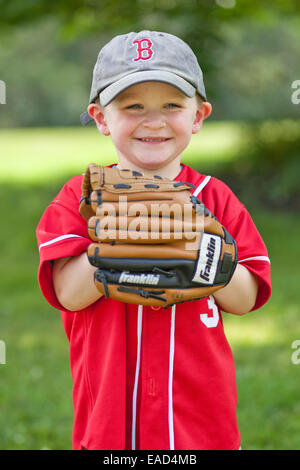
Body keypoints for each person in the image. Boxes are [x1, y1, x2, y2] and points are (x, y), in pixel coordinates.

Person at [36, 30, 271, 450]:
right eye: (133, 106)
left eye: (172, 105)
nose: (154, 120)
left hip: (199, 418)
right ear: (101, 117)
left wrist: (207, 254)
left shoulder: (214, 198)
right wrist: (117, 242)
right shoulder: (81, 196)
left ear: (198, 116)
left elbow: (247, 298)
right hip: (110, 418)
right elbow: (68, 294)